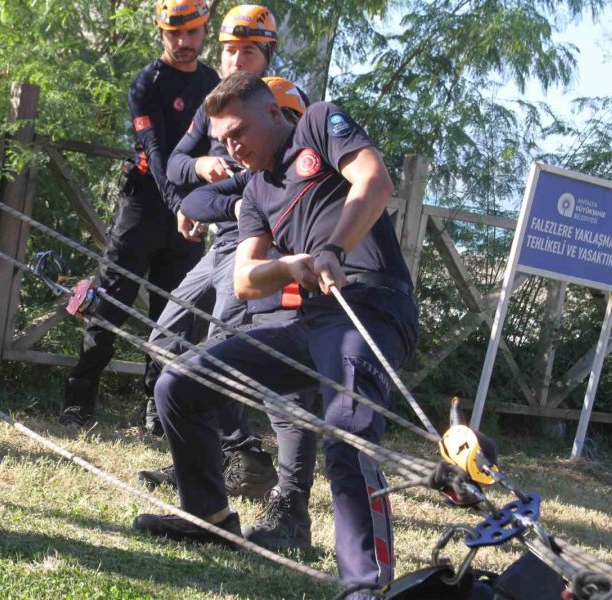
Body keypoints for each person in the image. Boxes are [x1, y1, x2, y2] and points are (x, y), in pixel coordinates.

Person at [135, 71, 419, 598]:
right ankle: (209, 518)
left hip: (370, 306)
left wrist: (333, 249)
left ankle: (366, 587)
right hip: (308, 322)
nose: (231, 147)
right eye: (222, 140)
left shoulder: (317, 124)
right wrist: (291, 266)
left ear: (273, 112)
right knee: (179, 384)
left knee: (345, 430)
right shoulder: (256, 191)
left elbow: (374, 181)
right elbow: (244, 280)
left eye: (238, 132)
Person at [142, 75, 319, 550]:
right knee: (191, 370)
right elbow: (195, 198)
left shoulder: (314, 170)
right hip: (257, 277)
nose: (237, 147)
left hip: (302, 296)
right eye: (229, 138)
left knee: (292, 401)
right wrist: (239, 205)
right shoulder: (258, 177)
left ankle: (290, 510)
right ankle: (218, 484)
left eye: (295, 121)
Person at [137, 6, 292, 503]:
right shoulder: (212, 107)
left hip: (258, 245)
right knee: (165, 338)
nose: (236, 60)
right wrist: (204, 168)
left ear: (267, 54)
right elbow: (176, 167)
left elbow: (272, 188)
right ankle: (202, 454)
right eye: (228, 50)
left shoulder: (280, 101)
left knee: (222, 349)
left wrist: (216, 201)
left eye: (248, 51)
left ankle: (247, 458)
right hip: (218, 242)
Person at [58, 0, 218, 428]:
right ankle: (78, 401)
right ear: (161, 33)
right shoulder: (147, 83)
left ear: (205, 31)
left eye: (192, 32)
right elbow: (157, 152)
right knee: (108, 303)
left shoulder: (213, 84)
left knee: (175, 314)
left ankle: (157, 409)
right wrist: (178, 203)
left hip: (189, 213)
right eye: (174, 34)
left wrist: (201, 206)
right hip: (143, 206)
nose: (183, 42)